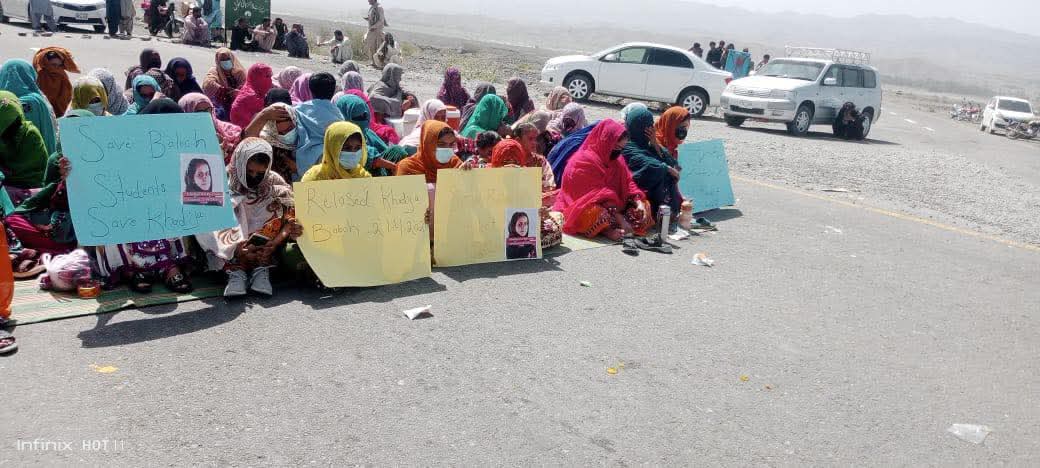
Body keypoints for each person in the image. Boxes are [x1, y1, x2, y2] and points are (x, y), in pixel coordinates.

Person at [90, 98, 195, 294]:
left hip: (165, 212)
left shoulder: (183, 147)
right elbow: (102, 178)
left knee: (181, 214)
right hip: (131, 211)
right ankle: (131, 271)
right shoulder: (125, 147)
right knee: (112, 219)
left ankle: (170, 266)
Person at [196, 138, 301, 297]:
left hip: (266, 243)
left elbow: (291, 216)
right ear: (240, 163)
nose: (254, 176)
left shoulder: (272, 180)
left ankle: (261, 267)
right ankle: (235, 269)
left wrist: (275, 242)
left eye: (260, 173)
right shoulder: (222, 179)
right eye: (249, 171)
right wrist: (237, 249)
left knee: (278, 199)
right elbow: (207, 218)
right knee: (228, 206)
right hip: (232, 244)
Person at [553, 120, 652, 242]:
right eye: (615, 147)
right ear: (605, 141)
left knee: (644, 207)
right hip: (583, 205)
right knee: (594, 214)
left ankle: (618, 225)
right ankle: (607, 230)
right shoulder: (583, 161)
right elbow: (596, 195)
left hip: (615, 207)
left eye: (621, 148)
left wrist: (638, 201)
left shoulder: (617, 160)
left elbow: (628, 182)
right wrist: (620, 219)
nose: (617, 151)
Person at [488, 131, 564, 249]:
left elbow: (532, 203)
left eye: (516, 162)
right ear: (497, 160)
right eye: (505, 162)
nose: (511, 166)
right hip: (493, 224)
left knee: (556, 219)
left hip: (520, 224)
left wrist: (540, 212)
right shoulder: (486, 173)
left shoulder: (526, 176)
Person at [622, 106, 682, 227]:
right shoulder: (626, 146)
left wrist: (655, 144)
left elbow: (675, 164)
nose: (652, 129)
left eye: (652, 125)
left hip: (660, 201)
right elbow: (648, 165)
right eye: (648, 126)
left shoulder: (649, 146)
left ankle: (669, 212)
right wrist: (666, 168)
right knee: (659, 172)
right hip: (635, 197)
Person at [334, 94, 402, 176]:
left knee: (397, 151)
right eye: (357, 117)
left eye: (364, 116)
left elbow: (384, 152)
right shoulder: (336, 136)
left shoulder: (368, 133)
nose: (362, 119)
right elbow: (370, 157)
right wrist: (392, 166)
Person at [292, 73, 344, 180]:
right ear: (334, 90)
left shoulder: (298, 110)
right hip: (330, 166)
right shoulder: (339, 115)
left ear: (310, 89)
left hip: (301, 165)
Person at [0, 59, 57, 155]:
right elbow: (50, 130)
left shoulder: (3, 102)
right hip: (38, 160)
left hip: (8, 164)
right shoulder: (38, 101)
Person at [0, 91, 49, 202]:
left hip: (34, 198)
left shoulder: (30, 135)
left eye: (15, 122)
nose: (11, 130)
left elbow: (38, 176)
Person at [180, 93, 242, 163]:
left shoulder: (227, 129)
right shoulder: (184, 142)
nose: (207, 114)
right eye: (200, 112)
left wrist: (229, 147)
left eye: (209, 109)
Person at [245, 103, 299, 183]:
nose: (287, 135)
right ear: (273, 131)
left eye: (289, 129)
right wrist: (263, 115)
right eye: (281, 133)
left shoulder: (307, 136)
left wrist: (299, 169)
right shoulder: (269, 143)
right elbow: (248, 139)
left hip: (306, 189)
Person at [301, 121, 372, 181]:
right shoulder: (314, 178)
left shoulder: (364, 177)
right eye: (347, 148)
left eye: (358, 147)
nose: (353, 153)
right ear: (333, 149)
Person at [396, 120, 462, 184]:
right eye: (441, 144)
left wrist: (465, 173)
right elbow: (405, 194)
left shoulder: (455, 163)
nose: (447, 148)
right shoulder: (409, 167)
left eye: (451, 144)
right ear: (428, 144)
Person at [203, 48, 247, 121]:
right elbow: (208, 83)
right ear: (218, 61)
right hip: (221, 101)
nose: (226, 62)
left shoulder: (239, 72)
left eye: (228, 59)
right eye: (222, 60)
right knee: (219, 113)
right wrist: (224, 90)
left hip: (238, 99)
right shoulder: (214, 71)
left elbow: (246, 86)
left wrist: (239, 92)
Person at [32, 48, 78, 116]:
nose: (57, 69)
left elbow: (67, 99)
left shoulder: (62, 76)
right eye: (53, 65)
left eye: (59, 65)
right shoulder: (40, 76)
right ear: (45, 63)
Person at [230, 63, 275, 128]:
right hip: (244, 131)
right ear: (257, 77)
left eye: (270, 76)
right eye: (267, 76)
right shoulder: (251, 96)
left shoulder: (251, 89)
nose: (270, 80)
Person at [364, 0, 388, 67]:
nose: (368, 1)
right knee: (371, 47)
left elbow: (381, 20)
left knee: (377, 46)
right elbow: (373, 17)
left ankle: (379, 63)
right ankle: (373, 62)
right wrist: (369, 19)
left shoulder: (379, 7)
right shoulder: (372, 7)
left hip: (377, 30)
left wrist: (374, 26)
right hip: (371, 30)